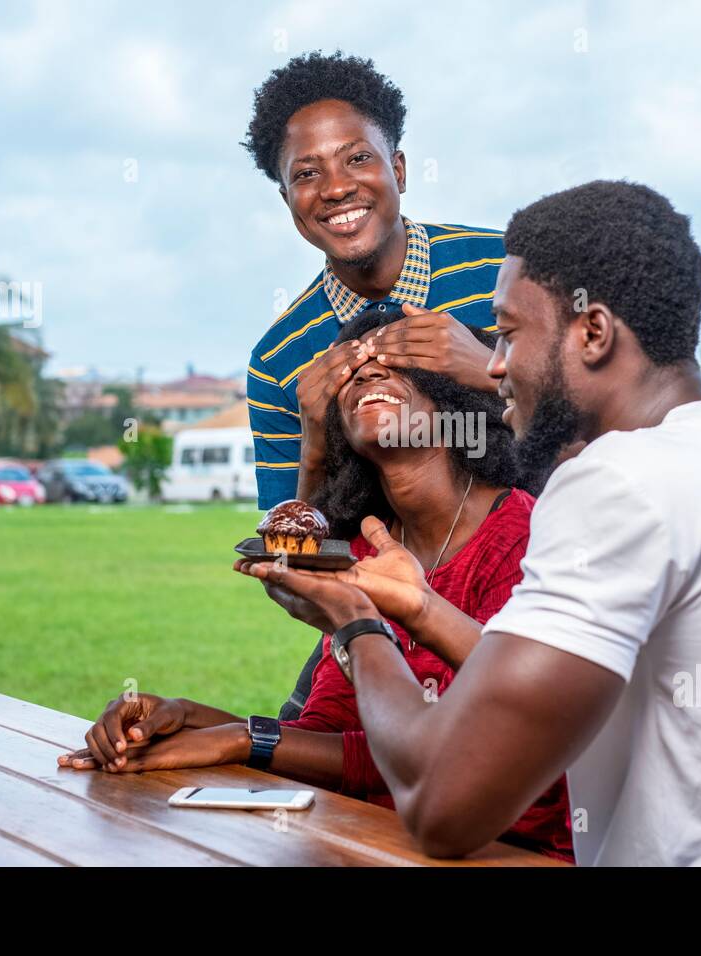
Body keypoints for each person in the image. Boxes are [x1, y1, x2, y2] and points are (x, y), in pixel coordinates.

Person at [238, 179, 701, 866]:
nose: (491, 369)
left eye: (508, 335)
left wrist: (358, 625)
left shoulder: (619, 483)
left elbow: (440, 806)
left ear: (594, 333)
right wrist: (419, 607)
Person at [59, 309, 573, 862]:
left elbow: (483, 763)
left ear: (452, 399)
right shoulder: (362, 554)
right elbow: (323, 732)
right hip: (380, 841)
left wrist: (242, 738)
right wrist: (186, 715)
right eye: (352, 369)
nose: (368, 374)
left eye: (396, 362)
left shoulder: (524, 535)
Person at [241, 51, 510, 719]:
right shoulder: (280, 358)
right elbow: (291, 575)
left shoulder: (505, 272)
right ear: (286, 199)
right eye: (307, 173)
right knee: (299, 739)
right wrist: (313, 437)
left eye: (357, 159)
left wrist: (488, 369)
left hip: (533, 582)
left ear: (398, 169)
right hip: (379, 603)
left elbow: (612, 433)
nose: (335, 187)